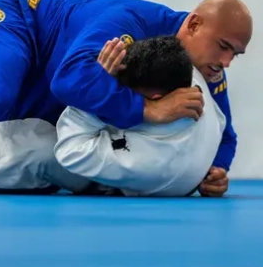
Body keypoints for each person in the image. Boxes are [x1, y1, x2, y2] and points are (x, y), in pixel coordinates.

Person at [0, 0, 252, 197]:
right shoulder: (130, 22)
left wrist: (215, 172)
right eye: (223, 47)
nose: (226, 62)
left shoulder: (205, 69)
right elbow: (68, 79)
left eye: (235, 54)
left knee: (58, 171)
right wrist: (146, 110)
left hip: (46, 83)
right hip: (17, 22)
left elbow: (225, 133)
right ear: (194, 25)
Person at [0, 35, 194, 197]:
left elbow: (72, 148)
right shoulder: (190, 90)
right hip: (102, 159)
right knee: (30, 136)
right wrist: (214, 170)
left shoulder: (158, 152)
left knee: (39, 151)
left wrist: (96, 85)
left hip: (91, 169)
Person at [54, 36, 227, 197]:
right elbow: (222, 121)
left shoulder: (146, 159)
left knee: (42, 153)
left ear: (156, 98)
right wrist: (216, 169)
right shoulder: (192, 76)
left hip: (112, 178)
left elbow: (69, 152)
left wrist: (97, 86)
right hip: (181, 172)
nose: (118, 93)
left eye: (126, 93)